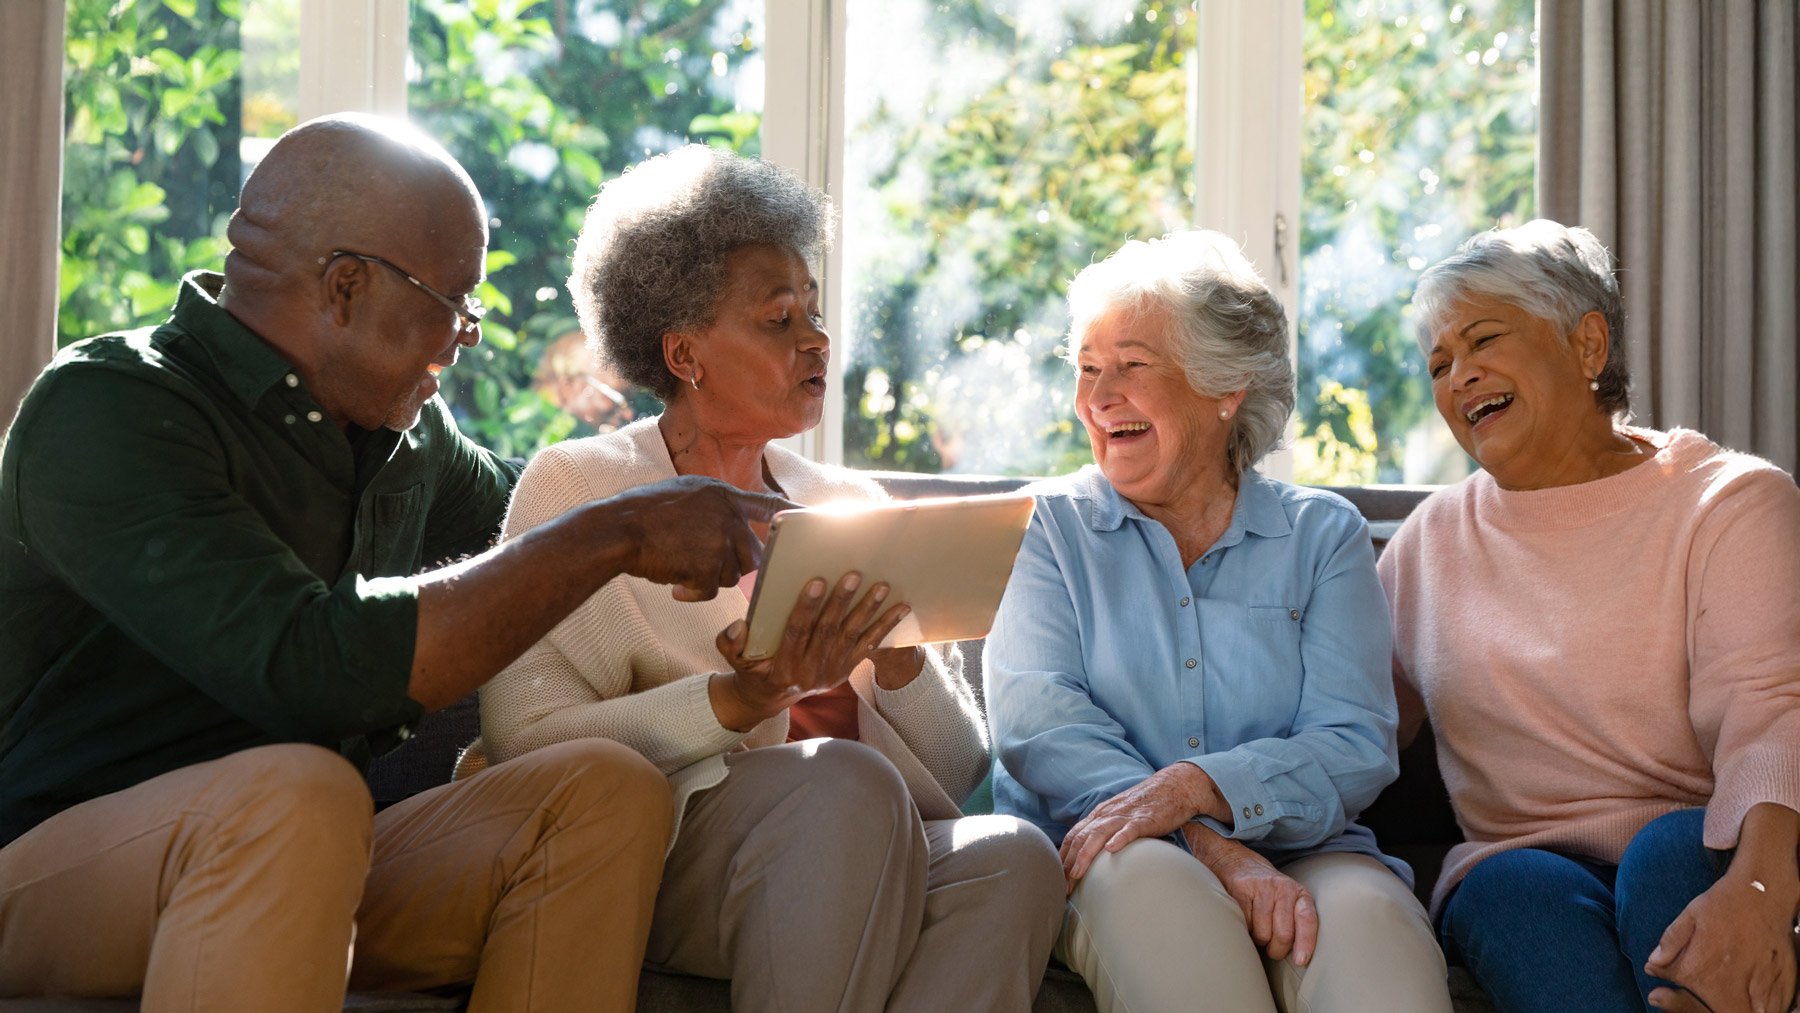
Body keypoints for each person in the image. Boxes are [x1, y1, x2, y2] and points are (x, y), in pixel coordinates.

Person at [0, 114, 790, 1012]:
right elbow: (312, 667)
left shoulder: (407, 436)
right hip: (50, 867)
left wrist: (741, 492)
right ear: (344, 286)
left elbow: (548, 513)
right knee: (301, 796)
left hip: (311, 848)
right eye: (457, 302)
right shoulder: (109, 410)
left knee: (602, 790)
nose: (470, 336)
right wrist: (619, 531)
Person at [472, 145, 1065, 1012]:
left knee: (1012, 854)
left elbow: (958, 763)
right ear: (685, 352)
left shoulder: (848, 500)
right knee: (843, 781)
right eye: (779, 319)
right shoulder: (582, 488)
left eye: (815, 314)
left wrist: (898, 661)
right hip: (668, 850)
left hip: (870, 836)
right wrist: (737, 700)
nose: (816, 340)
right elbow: (524, 733)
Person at [984, 230, 1453, 1013]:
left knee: (1377, 952)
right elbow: (1040, 725)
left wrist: (1202, 785)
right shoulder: (1046, 527)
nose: (1098, 397)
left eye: (1131, 365)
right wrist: (1202, 835)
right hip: (1113, 844)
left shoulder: (1322, 536)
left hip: (1311, 847)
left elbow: (1354, 740)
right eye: (1088, 368)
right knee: (1170, 921)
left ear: (1224, 386)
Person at [1382, 219, 1800, 1013]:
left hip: (1700, 837)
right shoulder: (1426, 543)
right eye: (1439, 364)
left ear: (1587, 344)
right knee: (1515, 890)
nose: (1459, 377)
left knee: (1669, 856)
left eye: (1483, 341)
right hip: (1514, 863)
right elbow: (1347, 718)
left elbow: (1772, 711)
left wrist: (1760, 887)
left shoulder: (1731, 503)